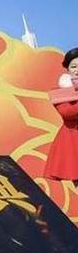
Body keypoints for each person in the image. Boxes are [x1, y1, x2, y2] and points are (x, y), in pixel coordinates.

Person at [44, 47, 78, 181]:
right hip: (73, 140)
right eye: (73, 66)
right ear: (68, 70)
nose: (77, 70)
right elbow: (67, 113)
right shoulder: (62, 92)